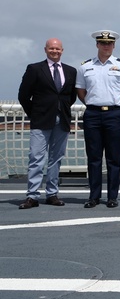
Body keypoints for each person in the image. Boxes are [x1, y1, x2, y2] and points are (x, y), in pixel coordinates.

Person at [76, 30, 120, 209]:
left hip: (114, 115)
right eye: (102, 43)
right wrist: (92, 104)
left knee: (113, 158)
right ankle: (94, 196)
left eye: (109, 43)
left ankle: (112, 197)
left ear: (114, 45)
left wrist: (118, 109)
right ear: (97, 45)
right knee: (93, 157)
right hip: (92, 115)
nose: (106, 46)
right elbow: (80, 91)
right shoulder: (85, 67)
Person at [16, 38, 77, 209]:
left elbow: (70, 97)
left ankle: (52, 194)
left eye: (57, 49)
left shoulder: (71, 71)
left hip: (62, 120)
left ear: (62, 50)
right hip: (41, 120)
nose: (55, 51)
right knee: (36, 158)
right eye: (51, 48)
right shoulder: (34, 69)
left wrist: (60, 110)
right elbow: (23, 95)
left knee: (55, 159)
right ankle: (32, 196)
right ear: (45, 50)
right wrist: (35, 113)